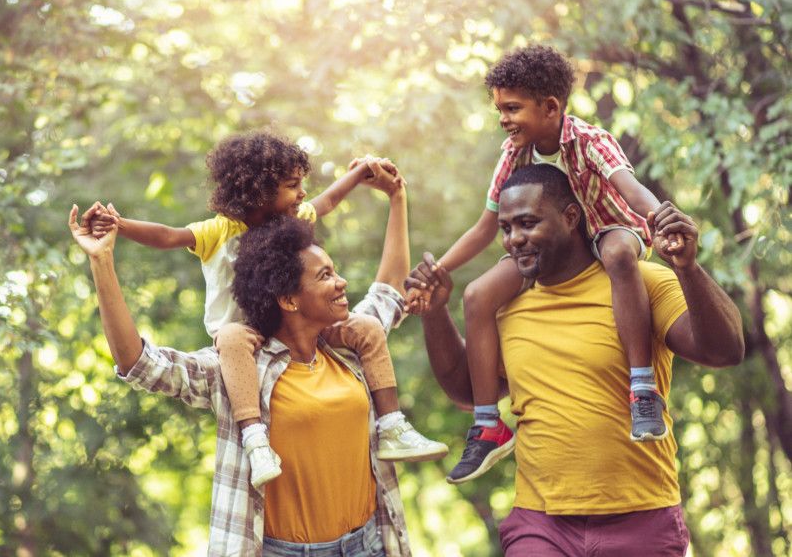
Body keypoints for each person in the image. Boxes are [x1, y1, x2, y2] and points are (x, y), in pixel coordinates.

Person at [407, 164, 744, 556]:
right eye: (506, 228)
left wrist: (688, 268)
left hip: (643, 518)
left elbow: (724, 350)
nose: (514, 239)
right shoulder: (505, 308)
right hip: (541, 525)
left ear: (570, 217)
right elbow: (468, 392)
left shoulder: (639, 283)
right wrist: (435, 313)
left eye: (528, 223)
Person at [90, 130, 445, 488]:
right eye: (292, 185)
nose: (302, 193)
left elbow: (330, 204)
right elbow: (167, 237)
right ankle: (255, 440)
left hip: (362, 524)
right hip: (240, 340)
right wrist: (116, 231)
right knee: (233, 337)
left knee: (367, 327)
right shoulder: (221, 232)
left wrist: (373, 180)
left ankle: (392, 425)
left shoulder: (341, 341)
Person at [69, 193, 417, 555]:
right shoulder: (240, 370)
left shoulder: (351, 348)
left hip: (368, 545)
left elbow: (389, 293)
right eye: (325, 275)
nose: (341, 282)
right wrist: (101, 260)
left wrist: (397, 197)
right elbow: (139, 363)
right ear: (289, 300)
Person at [413, 45, 680, 484]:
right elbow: (484, 228)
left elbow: (630, 190)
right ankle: (487, 424)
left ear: (551, 107)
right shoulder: (513, 153)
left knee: (617, 255)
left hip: (610, 229)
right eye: (500, 109)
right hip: (549, 246)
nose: (504, 119)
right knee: (478, 295)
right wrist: (436, 271)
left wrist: (662, 220)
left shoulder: (589, 141)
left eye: (513, 108)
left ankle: (642, 388)